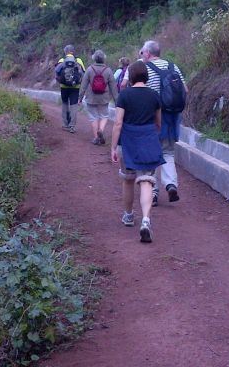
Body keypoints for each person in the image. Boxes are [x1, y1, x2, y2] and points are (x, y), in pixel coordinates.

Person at [110, 61, 165, 243]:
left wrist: (113, 147)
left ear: (131, 76)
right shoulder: (154, 95)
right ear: (146, 76)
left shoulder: (124, 95)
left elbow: (118, 123)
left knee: (128, 179)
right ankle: (146, 220)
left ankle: (128, 215)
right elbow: (158, 123)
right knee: (147, 181)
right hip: (148, 139)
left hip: (128, 142)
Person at [140, 40, 188, 206]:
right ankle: (171, 185)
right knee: (168, 152)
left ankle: (152, 193)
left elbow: (141, 93)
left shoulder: (145, 69)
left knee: (151, 155)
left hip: (153, 118)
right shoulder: (173, 67)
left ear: (147, 53)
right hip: (172, 117)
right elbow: (185, 90)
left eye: (142, 52)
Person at [78, 49, 118, 145]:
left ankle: (96, 137)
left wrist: (80, 98)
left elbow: (83, 85)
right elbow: (113, 86)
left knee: (93, 117)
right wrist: (117, 100)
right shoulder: (108, 70)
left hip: (91, 98)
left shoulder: (89, 69)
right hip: (104, 98)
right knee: (104, 115)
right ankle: (101, 129)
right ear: (104, 58)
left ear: (94, 58)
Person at [55, 44, 85, 132]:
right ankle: (72, 126)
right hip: (75, 86)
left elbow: (56, 71)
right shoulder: (78, 60)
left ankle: (65, 124)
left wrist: (60, 81)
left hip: (63, 86)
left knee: (64, 104)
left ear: (65, 51)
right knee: (74, 105)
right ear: (73, 51)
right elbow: (83, 73)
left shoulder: (62, 60)